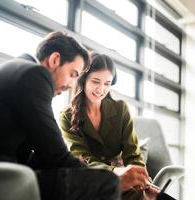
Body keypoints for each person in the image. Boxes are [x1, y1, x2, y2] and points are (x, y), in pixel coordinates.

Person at [0, 31, 120, 200]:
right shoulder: (34, 74)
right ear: (55, 59)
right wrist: (95, 172)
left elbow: (40, 152)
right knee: (107, 182)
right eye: (73, 74)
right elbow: (55, 154)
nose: (72, 84)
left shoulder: (14, 69)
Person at [60, 52, 159, 199]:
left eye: (107, 84)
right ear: (83, 80)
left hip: (124, 178)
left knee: (144, 194)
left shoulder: (120, 109)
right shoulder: (67, 115)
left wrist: (143, 181)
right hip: (93, 179)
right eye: (95, 81)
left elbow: (132, 153)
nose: (101, 90)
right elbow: (81, 157)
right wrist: (113, 171)